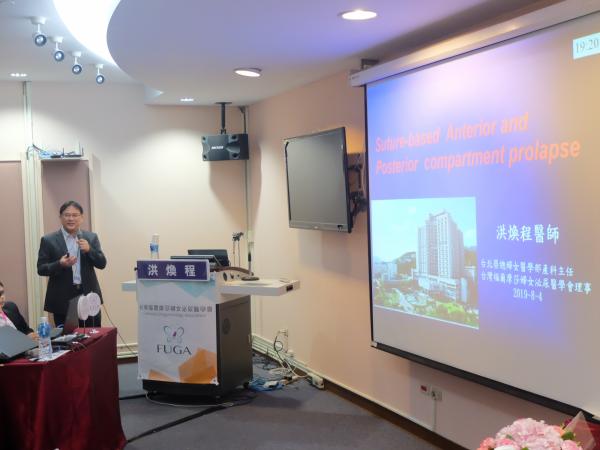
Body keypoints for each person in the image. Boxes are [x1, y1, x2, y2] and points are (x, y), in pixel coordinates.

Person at [37, 200, 106, 327]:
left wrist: (89, 250)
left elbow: (102, 264)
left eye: (75, 215)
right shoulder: (48, 240)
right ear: (60, 217)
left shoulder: (91, 237)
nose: (71, 218)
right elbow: (41, 269)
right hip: (62, 298)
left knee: (93, 334)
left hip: (88, 295)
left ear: (81, 218)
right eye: (67, 215)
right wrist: (59, 264)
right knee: (67, 337)